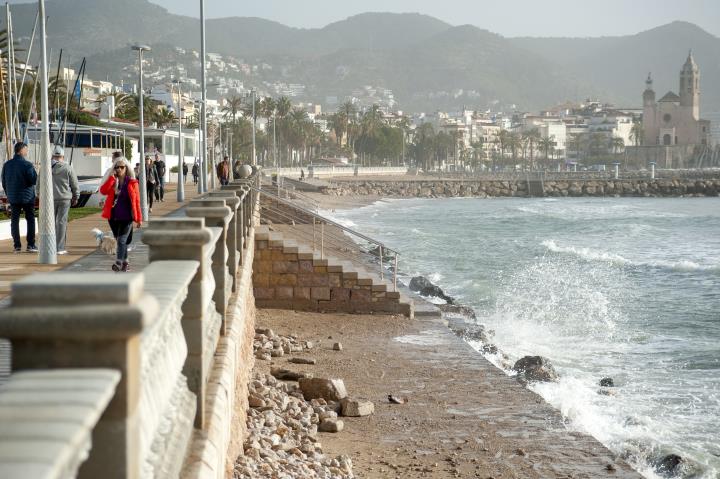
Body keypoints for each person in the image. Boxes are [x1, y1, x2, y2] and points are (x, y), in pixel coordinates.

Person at [99, 157, 141, 272]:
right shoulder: (113, 181)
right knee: (120, 241)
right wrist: (112, 178)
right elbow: (103, 191)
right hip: (113, 217)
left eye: (121, 167)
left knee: (122, 241)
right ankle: (126, 262)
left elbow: (136, 201)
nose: (119, 169)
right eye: (116, 167)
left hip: (127, 217)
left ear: (126, 168)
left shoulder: (132, 183)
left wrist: (139, 219)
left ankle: (118, 263)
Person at [1, 142, 37, 253]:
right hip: (27, 197)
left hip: (13, 197)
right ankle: (30, 245)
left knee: (14, 221)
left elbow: (3, 181)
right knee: (30, 219)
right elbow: (33, 180)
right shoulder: (27, 165)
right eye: (26, 149)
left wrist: (9, 193)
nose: (27, 152)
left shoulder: (7, 165)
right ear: (21, 150)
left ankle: (17, 245)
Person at [50, 145, 79, 255]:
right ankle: (60, 248)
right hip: (65, 198)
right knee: (61, 222)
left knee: (51, 223)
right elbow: (74, 184)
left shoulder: (46, 167)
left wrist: (39, 194)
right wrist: (76, 196)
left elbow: (39, 182)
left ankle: (50, 246)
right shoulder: (68, 168)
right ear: (62, 156)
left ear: (53, 156)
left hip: (51, 199)